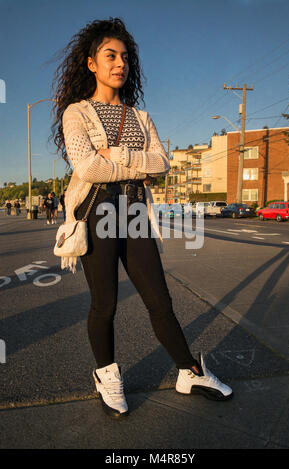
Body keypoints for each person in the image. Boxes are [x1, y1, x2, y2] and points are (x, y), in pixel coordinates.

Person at [51, 18, 233, 420]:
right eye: (110, 56)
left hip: (134, 212)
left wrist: (118, 157)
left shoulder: (140, 117)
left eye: (125, 58)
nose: (120, 64)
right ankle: (107, 376)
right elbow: (87, 169)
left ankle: (190, 372)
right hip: (97, 211)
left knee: (159, 300)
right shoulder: (76, 113)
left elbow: (162, 163)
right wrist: (136, 166)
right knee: (106, 303)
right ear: (91, 63)